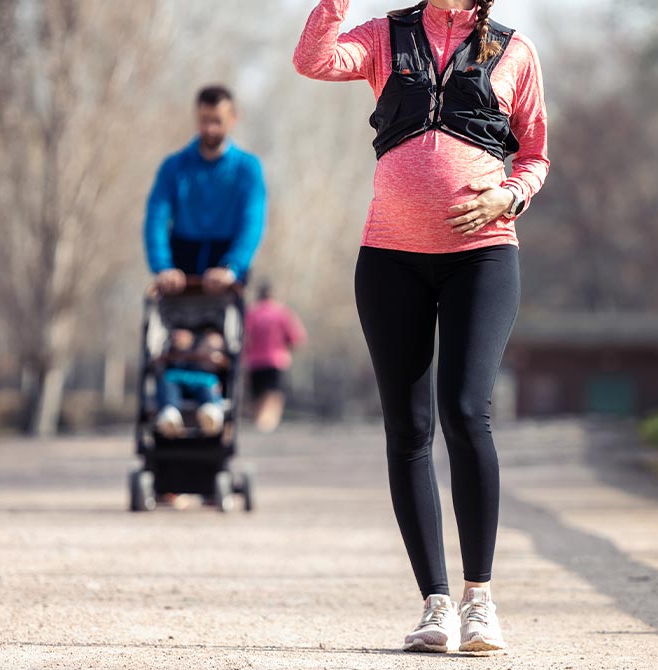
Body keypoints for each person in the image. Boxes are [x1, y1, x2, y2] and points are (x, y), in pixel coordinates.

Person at [294, 0, 549, 653]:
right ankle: (435, 603)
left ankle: (479, 600)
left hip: (483, 254)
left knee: (466, 411)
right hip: (388, 258)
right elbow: (314, 60)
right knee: (408, 428)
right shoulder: (385, 36)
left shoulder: (513, 52)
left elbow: (536, 155)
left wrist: (509, 194)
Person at [144, 85, 267, 294]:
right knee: (178, 329)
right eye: (204, 120)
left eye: (217, 121)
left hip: (225, 260)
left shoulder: (248, 169)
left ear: (232, 119)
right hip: (181, 261)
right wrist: (163, 267)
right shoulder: (174, 167)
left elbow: (252, 223)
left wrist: (232, 267)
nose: (210, 129)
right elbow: (156, 218)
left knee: (216, 329)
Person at [244, 282, 307, 432]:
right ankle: (267, 424)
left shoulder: (252, 313)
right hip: (276, 360)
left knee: (258, 393)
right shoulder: (282, 313)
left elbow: (243, 336)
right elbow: (296, 337)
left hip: (254, 361)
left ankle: (259, 422)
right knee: (273, 392)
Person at [155, 328, 229, 437]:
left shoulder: (211, 368)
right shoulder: (173, 352)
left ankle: (210, 413)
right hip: (177, 384)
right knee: (168, 384)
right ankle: (170, 416)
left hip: (203, 385)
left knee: (208, 385)